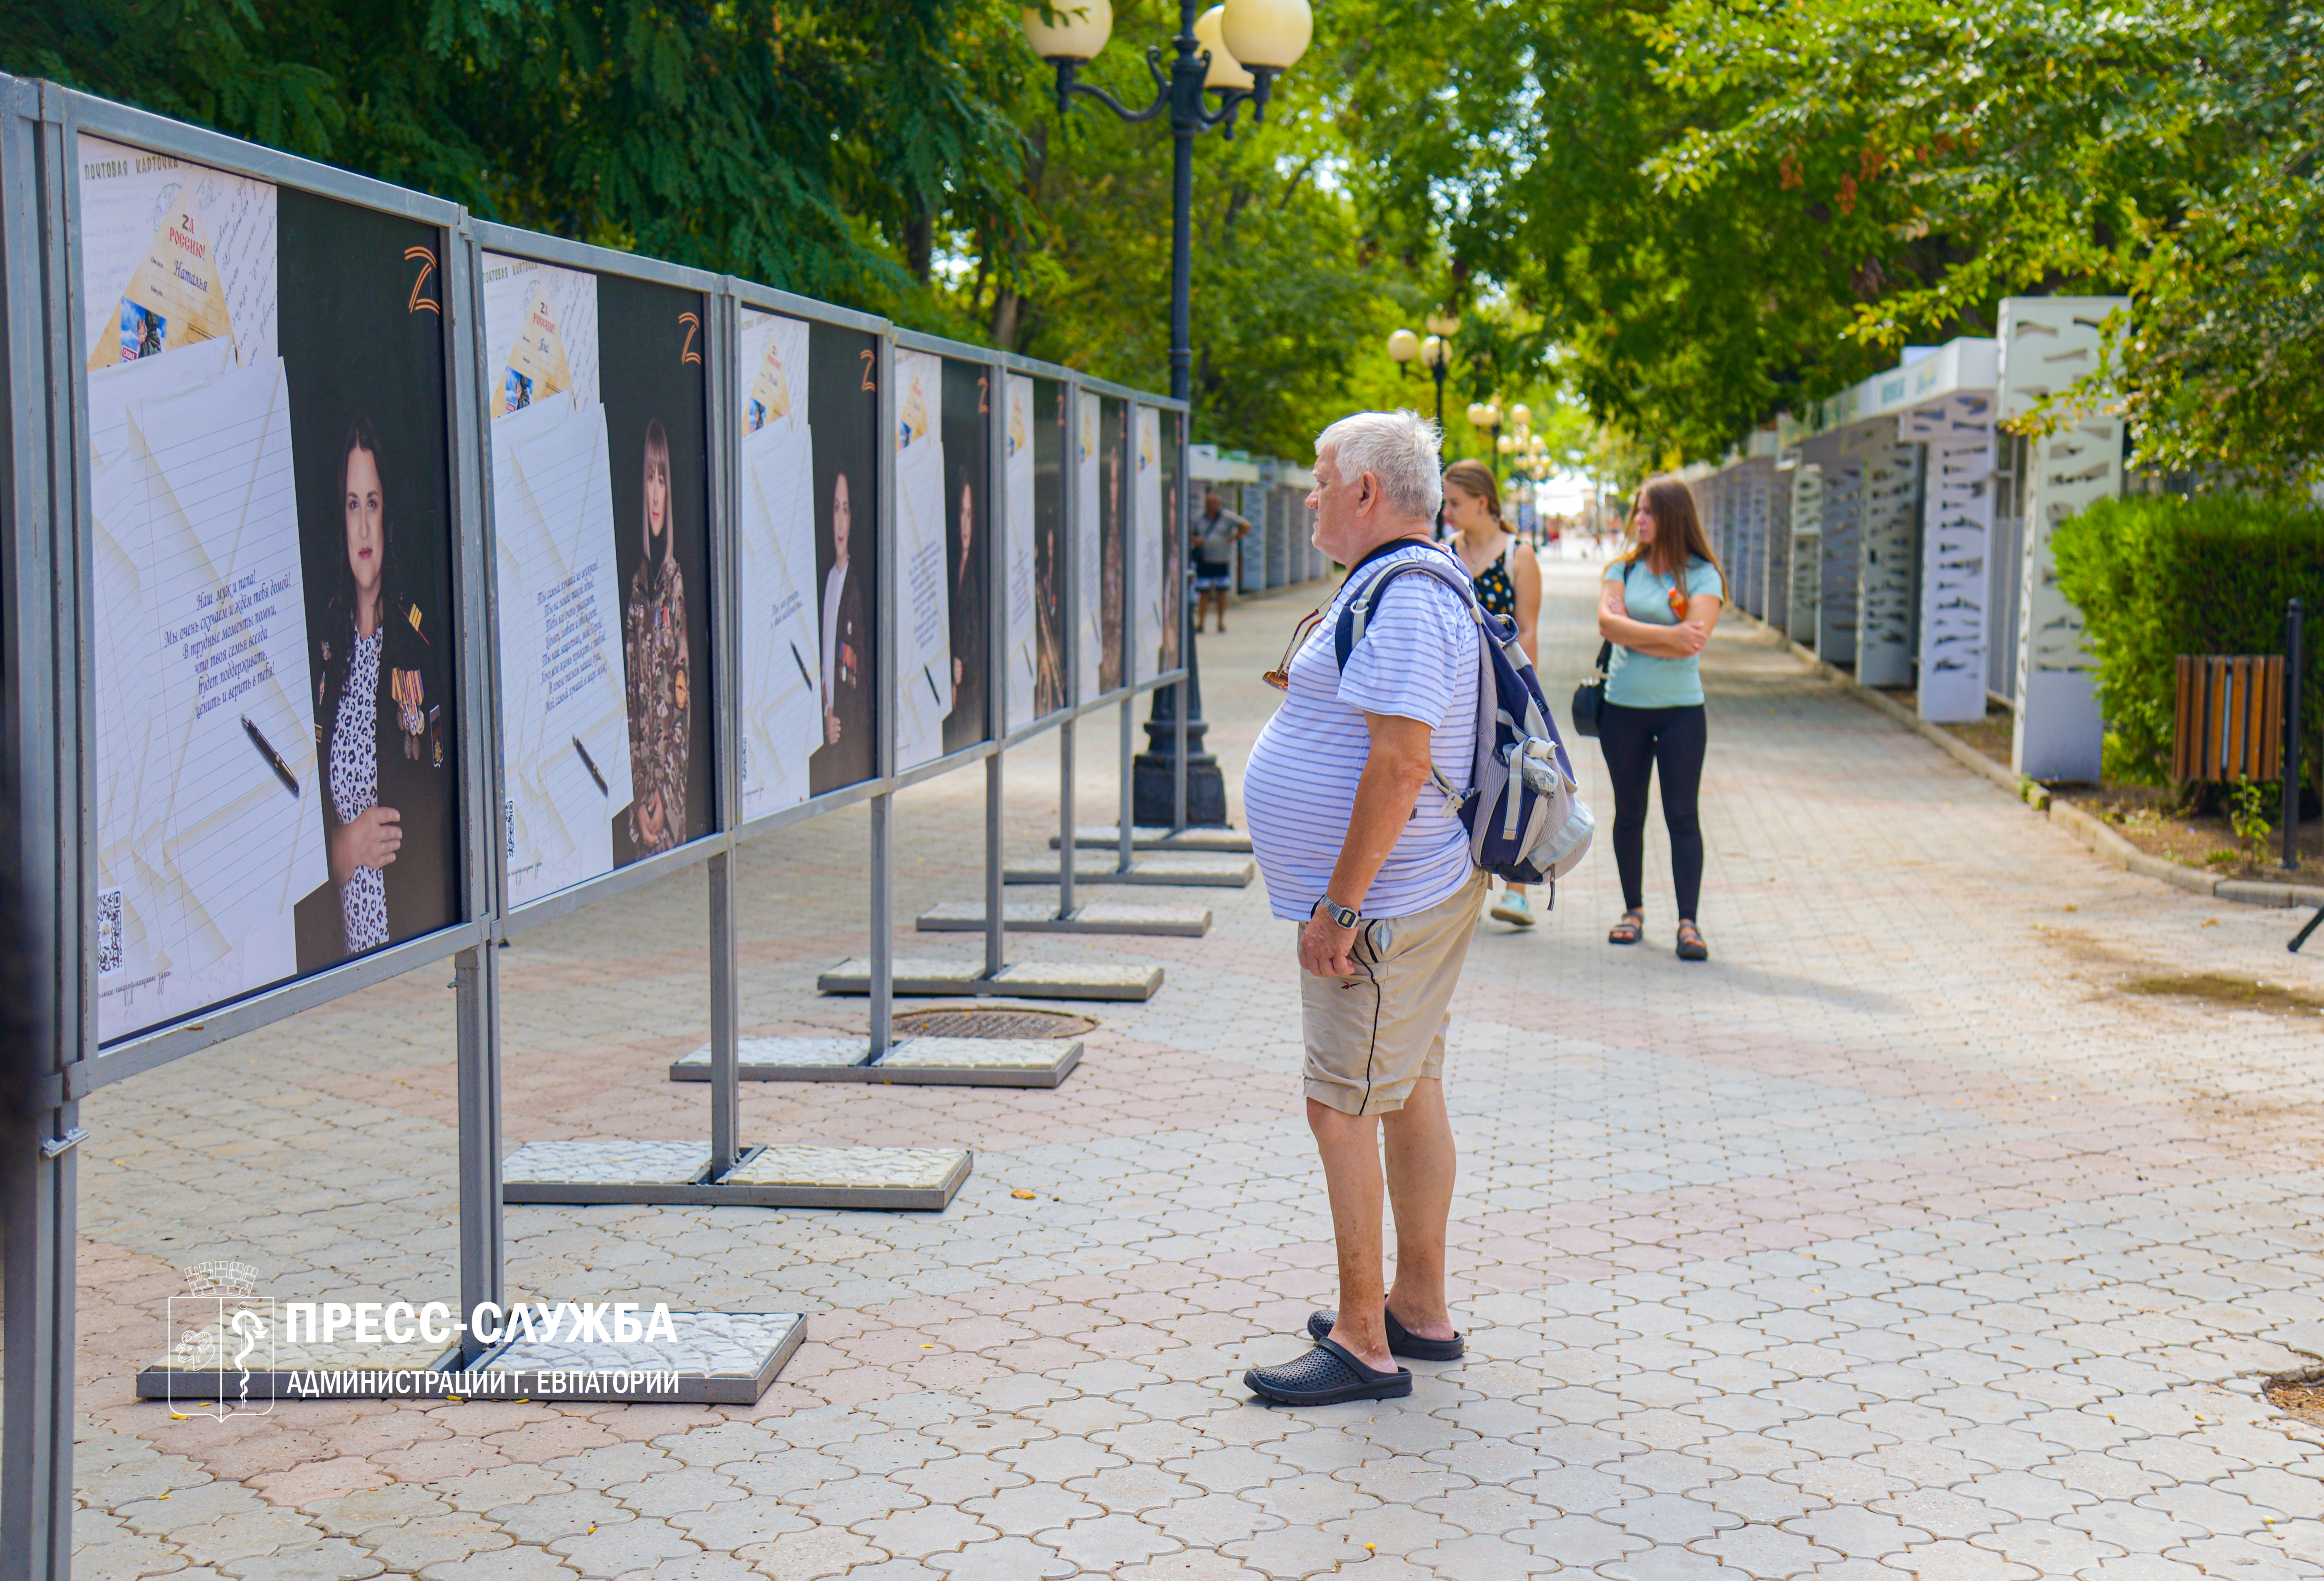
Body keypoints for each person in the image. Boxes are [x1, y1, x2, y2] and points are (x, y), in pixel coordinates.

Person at [1240, 410, 1484, 1406]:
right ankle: (1416, 1310)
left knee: (1338, 1107)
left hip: (1384, 910)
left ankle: (1362, 1341)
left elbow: (1399, 763)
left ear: (1366, 492)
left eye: (1318, 477)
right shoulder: (1402, 585)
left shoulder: (1409, 599)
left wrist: (1338, 909)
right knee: (1408, 1086)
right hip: (1408, 898)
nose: (1307, 495)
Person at [311, 418, 449, 960]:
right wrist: (341, 849)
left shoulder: (419, 640)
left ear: (388, 512)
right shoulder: (324, 645)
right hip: (336, 958)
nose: (363, 527)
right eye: (352, 505)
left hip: (411, 945)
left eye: (372, 502)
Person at [1597, 474, 1725, 961]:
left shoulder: (1702, 575)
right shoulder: (1621, 569)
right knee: (1628, 814)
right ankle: (1633, 912)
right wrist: (1664, 635)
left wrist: (1632, 631)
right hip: (1621, 711)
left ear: (1672, 516)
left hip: (1681, 714)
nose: (1639, 519)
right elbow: (1606, 626)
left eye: (1649, 511)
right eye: (1637, 510)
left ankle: (1687, 924)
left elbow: (1695, 639)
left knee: (1681, 816)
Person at [1442, 458, 1542, 927]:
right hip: (1458, 691)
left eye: (1455, 502)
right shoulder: (1445, 551)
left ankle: (1517, 890)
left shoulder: (1517, 554)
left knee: (1514, 783)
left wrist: (1527, 700)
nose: (1446, 510)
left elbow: (1528, 630)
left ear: (1482, 502)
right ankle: (1463, 887)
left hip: (1503, 688)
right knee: (1461, 784)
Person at [623, 420, 689, 856]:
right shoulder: (635, 586)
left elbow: (681, 702)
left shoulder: (674, 582)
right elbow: (630, 700)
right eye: (649, 478)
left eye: (661, 479)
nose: (654, 493)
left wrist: (665, 795)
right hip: (639, 801)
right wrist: (640, 796)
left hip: (666, 801)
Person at [817, 470, 871, 785]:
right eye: (836, 508)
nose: (840, 521)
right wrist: (826, 711)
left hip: (847, 742)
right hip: (830, 731)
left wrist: (842, 724)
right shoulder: (828, 581)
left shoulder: (855, 587)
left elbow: (857, 678)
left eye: (846, 509)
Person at [945, 473, 985, 753]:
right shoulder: (953, 565)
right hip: (954, 691)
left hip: (970, 693)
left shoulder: (976, 572)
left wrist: (963, 667)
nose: (965, 524)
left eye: (970, 515)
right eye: (962, 513)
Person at [1191, 490, 1251, 633]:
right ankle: (1201, 623)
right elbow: (1190, 533)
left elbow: (1246, 525)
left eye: (1215, 503)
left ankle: (1220, 622)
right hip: (1204, 561)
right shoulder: (1199, 518)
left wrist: (1235, 538)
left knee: (1221, 593)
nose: (1212, 506)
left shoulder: (1227, 517)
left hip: (1221, 561)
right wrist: (1196, 540)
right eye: (1210, 503)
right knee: (1203, 593)